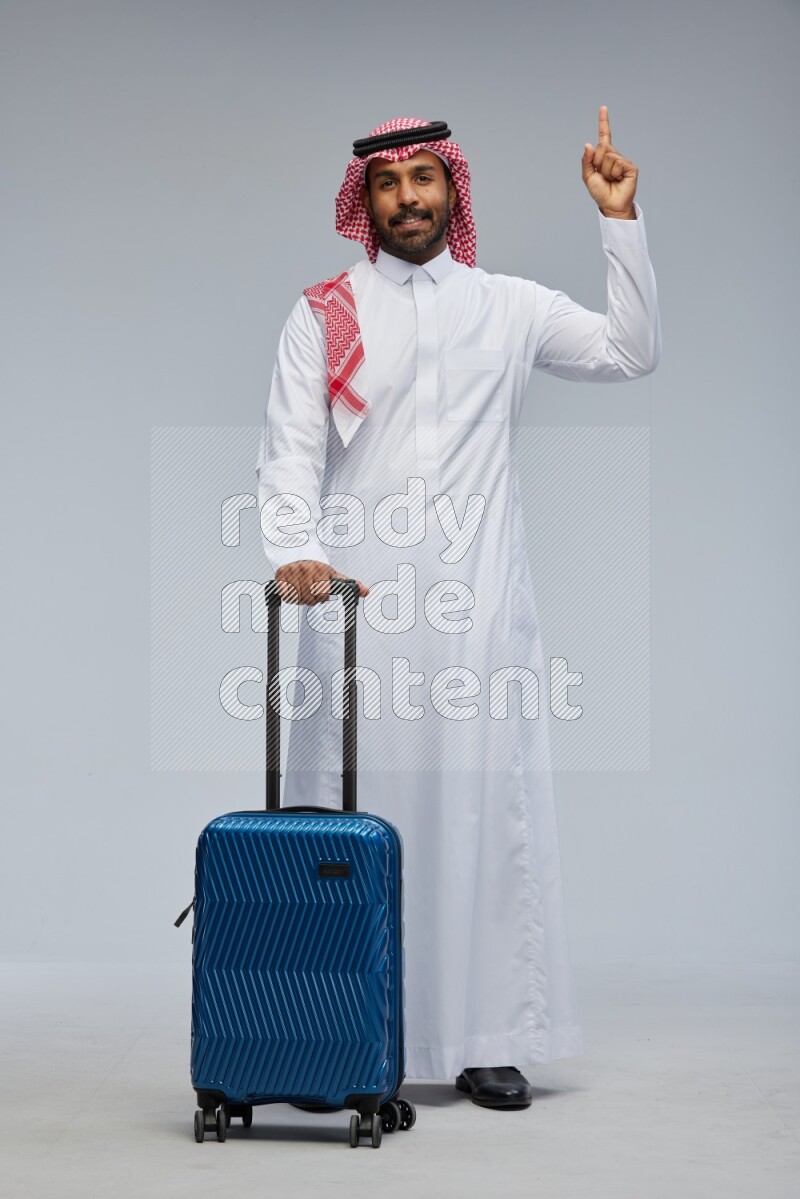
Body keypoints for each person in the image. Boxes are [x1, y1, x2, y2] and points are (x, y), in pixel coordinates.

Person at [255, 112, 660, 1109]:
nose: (407, 199)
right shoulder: (327, 310)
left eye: (423, 180)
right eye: (388, 185)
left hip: (478, 607)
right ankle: (347, 1034)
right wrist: (296, 552)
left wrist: (620, 222)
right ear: (366, 201)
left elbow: (628, 351)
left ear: (453, 192)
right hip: (357, 612)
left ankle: (485, 1035)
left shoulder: (508, 305)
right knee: (351, 816)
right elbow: (288, 450)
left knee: (483, 814)